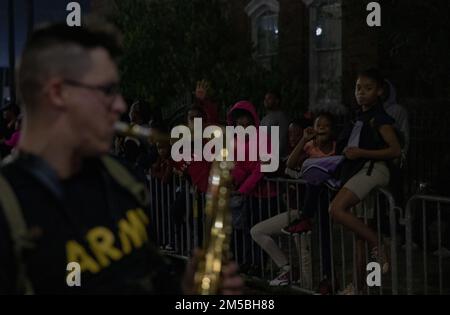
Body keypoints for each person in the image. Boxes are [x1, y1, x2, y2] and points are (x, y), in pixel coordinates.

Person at [0, 22, 242, 295]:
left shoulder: (124, 179)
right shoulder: (8, 209)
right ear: (57, 93)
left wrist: (187, 291)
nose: (120, 106)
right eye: (107, 91)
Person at [329, 69, 402, 294]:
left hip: (373, 170)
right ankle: (360, 287)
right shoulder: (357, 116)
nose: (361, 93)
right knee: (359, 235)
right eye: (358, 88)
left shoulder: (380, 119)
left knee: (336, 209)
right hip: (359, 171)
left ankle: (379, 244)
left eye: (368, 88)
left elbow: (395, 150)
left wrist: (361, 152)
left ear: (379, 92)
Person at [251, 113, 337, 288]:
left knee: (307, 254)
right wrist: (302, 141)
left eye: (297, 134)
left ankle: (307, 286)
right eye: (290, 134)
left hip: (310, 210)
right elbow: (287, 165)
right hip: (295, 212)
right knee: (258, 231)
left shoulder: (318, 152)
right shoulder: (300, 152)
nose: (293, 138)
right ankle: (288, 270)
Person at [260, 90, 290, 160]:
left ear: (277, 101)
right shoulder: (264, 118)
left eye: (269, 98)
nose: (266, 101)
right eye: (265, 99)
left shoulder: (281, 117)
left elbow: (282, 139)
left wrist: (274, 157)